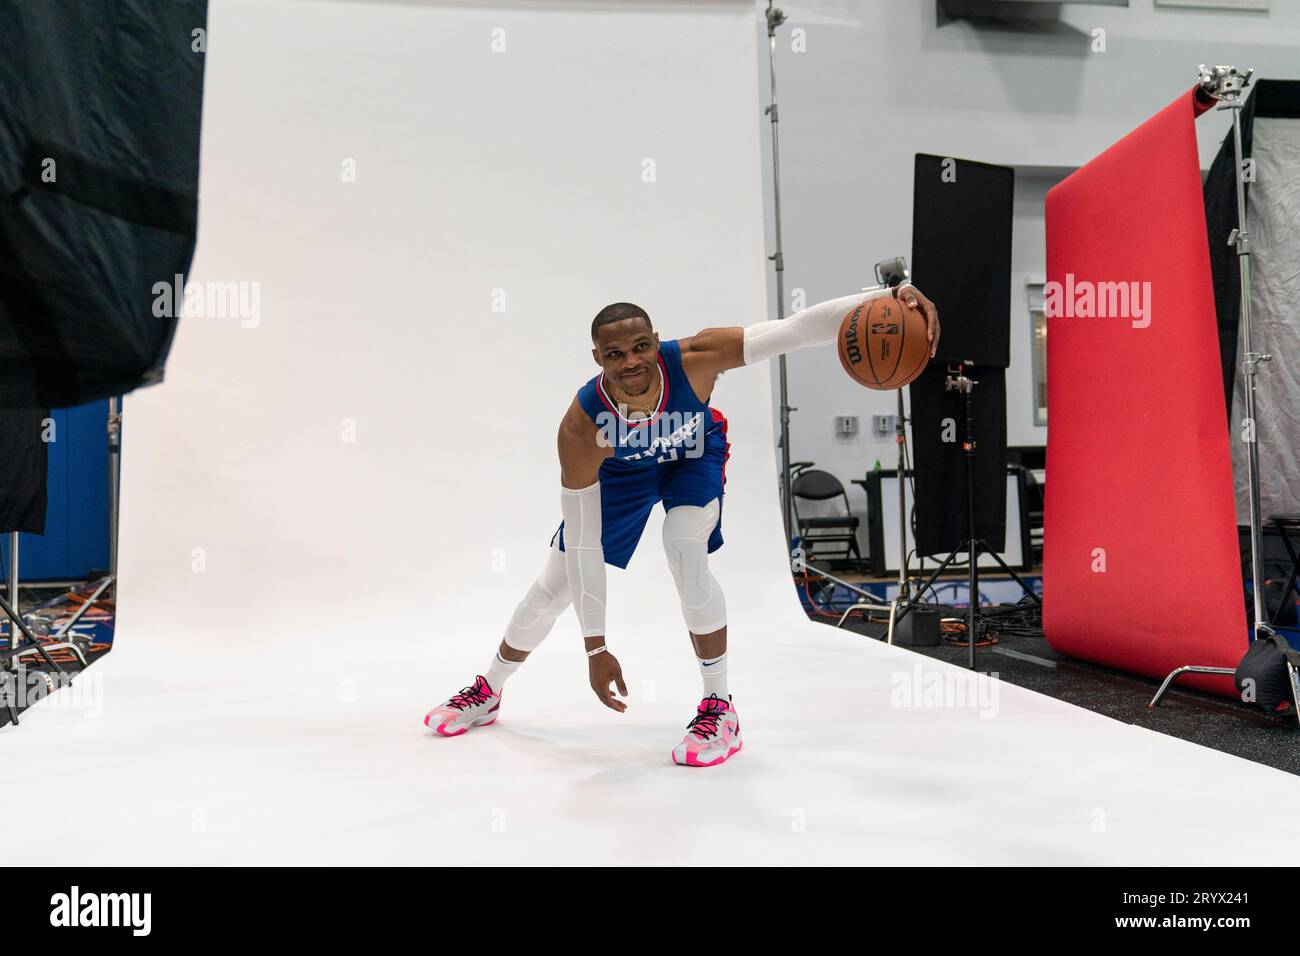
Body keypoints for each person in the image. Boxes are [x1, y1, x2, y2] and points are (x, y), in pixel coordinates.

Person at [424, 286, 939, 766]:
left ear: (655, 342)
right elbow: (583, 545)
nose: (632, 362)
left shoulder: (697, 359)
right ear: (598, 360)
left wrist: (887, 295)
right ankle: (488, 690)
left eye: (641, 347)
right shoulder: (582, 428)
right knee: (552, 587)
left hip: (691, 454)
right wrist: (596, 648)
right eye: (615, 355)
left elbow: (800, 328)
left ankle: (720, 708)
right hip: (621, 473)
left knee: (682, 545)